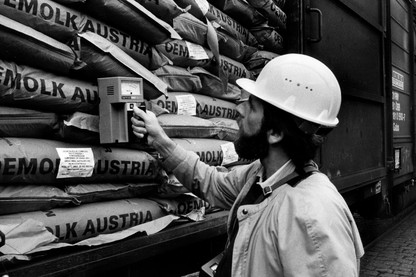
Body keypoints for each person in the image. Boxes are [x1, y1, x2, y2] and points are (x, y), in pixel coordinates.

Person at [131, 54, 364, 277]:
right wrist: (161, 141)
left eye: (252, 106)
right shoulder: (261, 175)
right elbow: (212, 183)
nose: (239, 109)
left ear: (275, 133)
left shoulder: (310, 215)